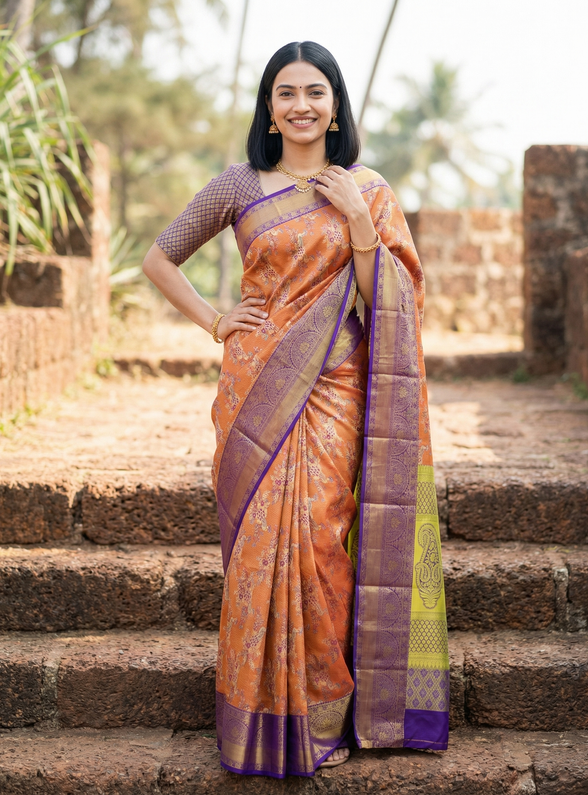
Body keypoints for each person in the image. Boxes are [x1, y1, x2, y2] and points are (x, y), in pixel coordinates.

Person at [143, 40, 449, 779]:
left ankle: (321, 719)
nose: (302, 105)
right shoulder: (239, 184)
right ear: (270, 108)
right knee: (260, 548)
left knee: (318, 541)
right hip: (256, 388)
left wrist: (361, 226)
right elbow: (158, 258)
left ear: (335, 106)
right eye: (287, 93)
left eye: (316, 92)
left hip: (335, 391)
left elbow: (392, 306)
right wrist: (217, 321)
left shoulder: (367, 189)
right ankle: (256, 727)